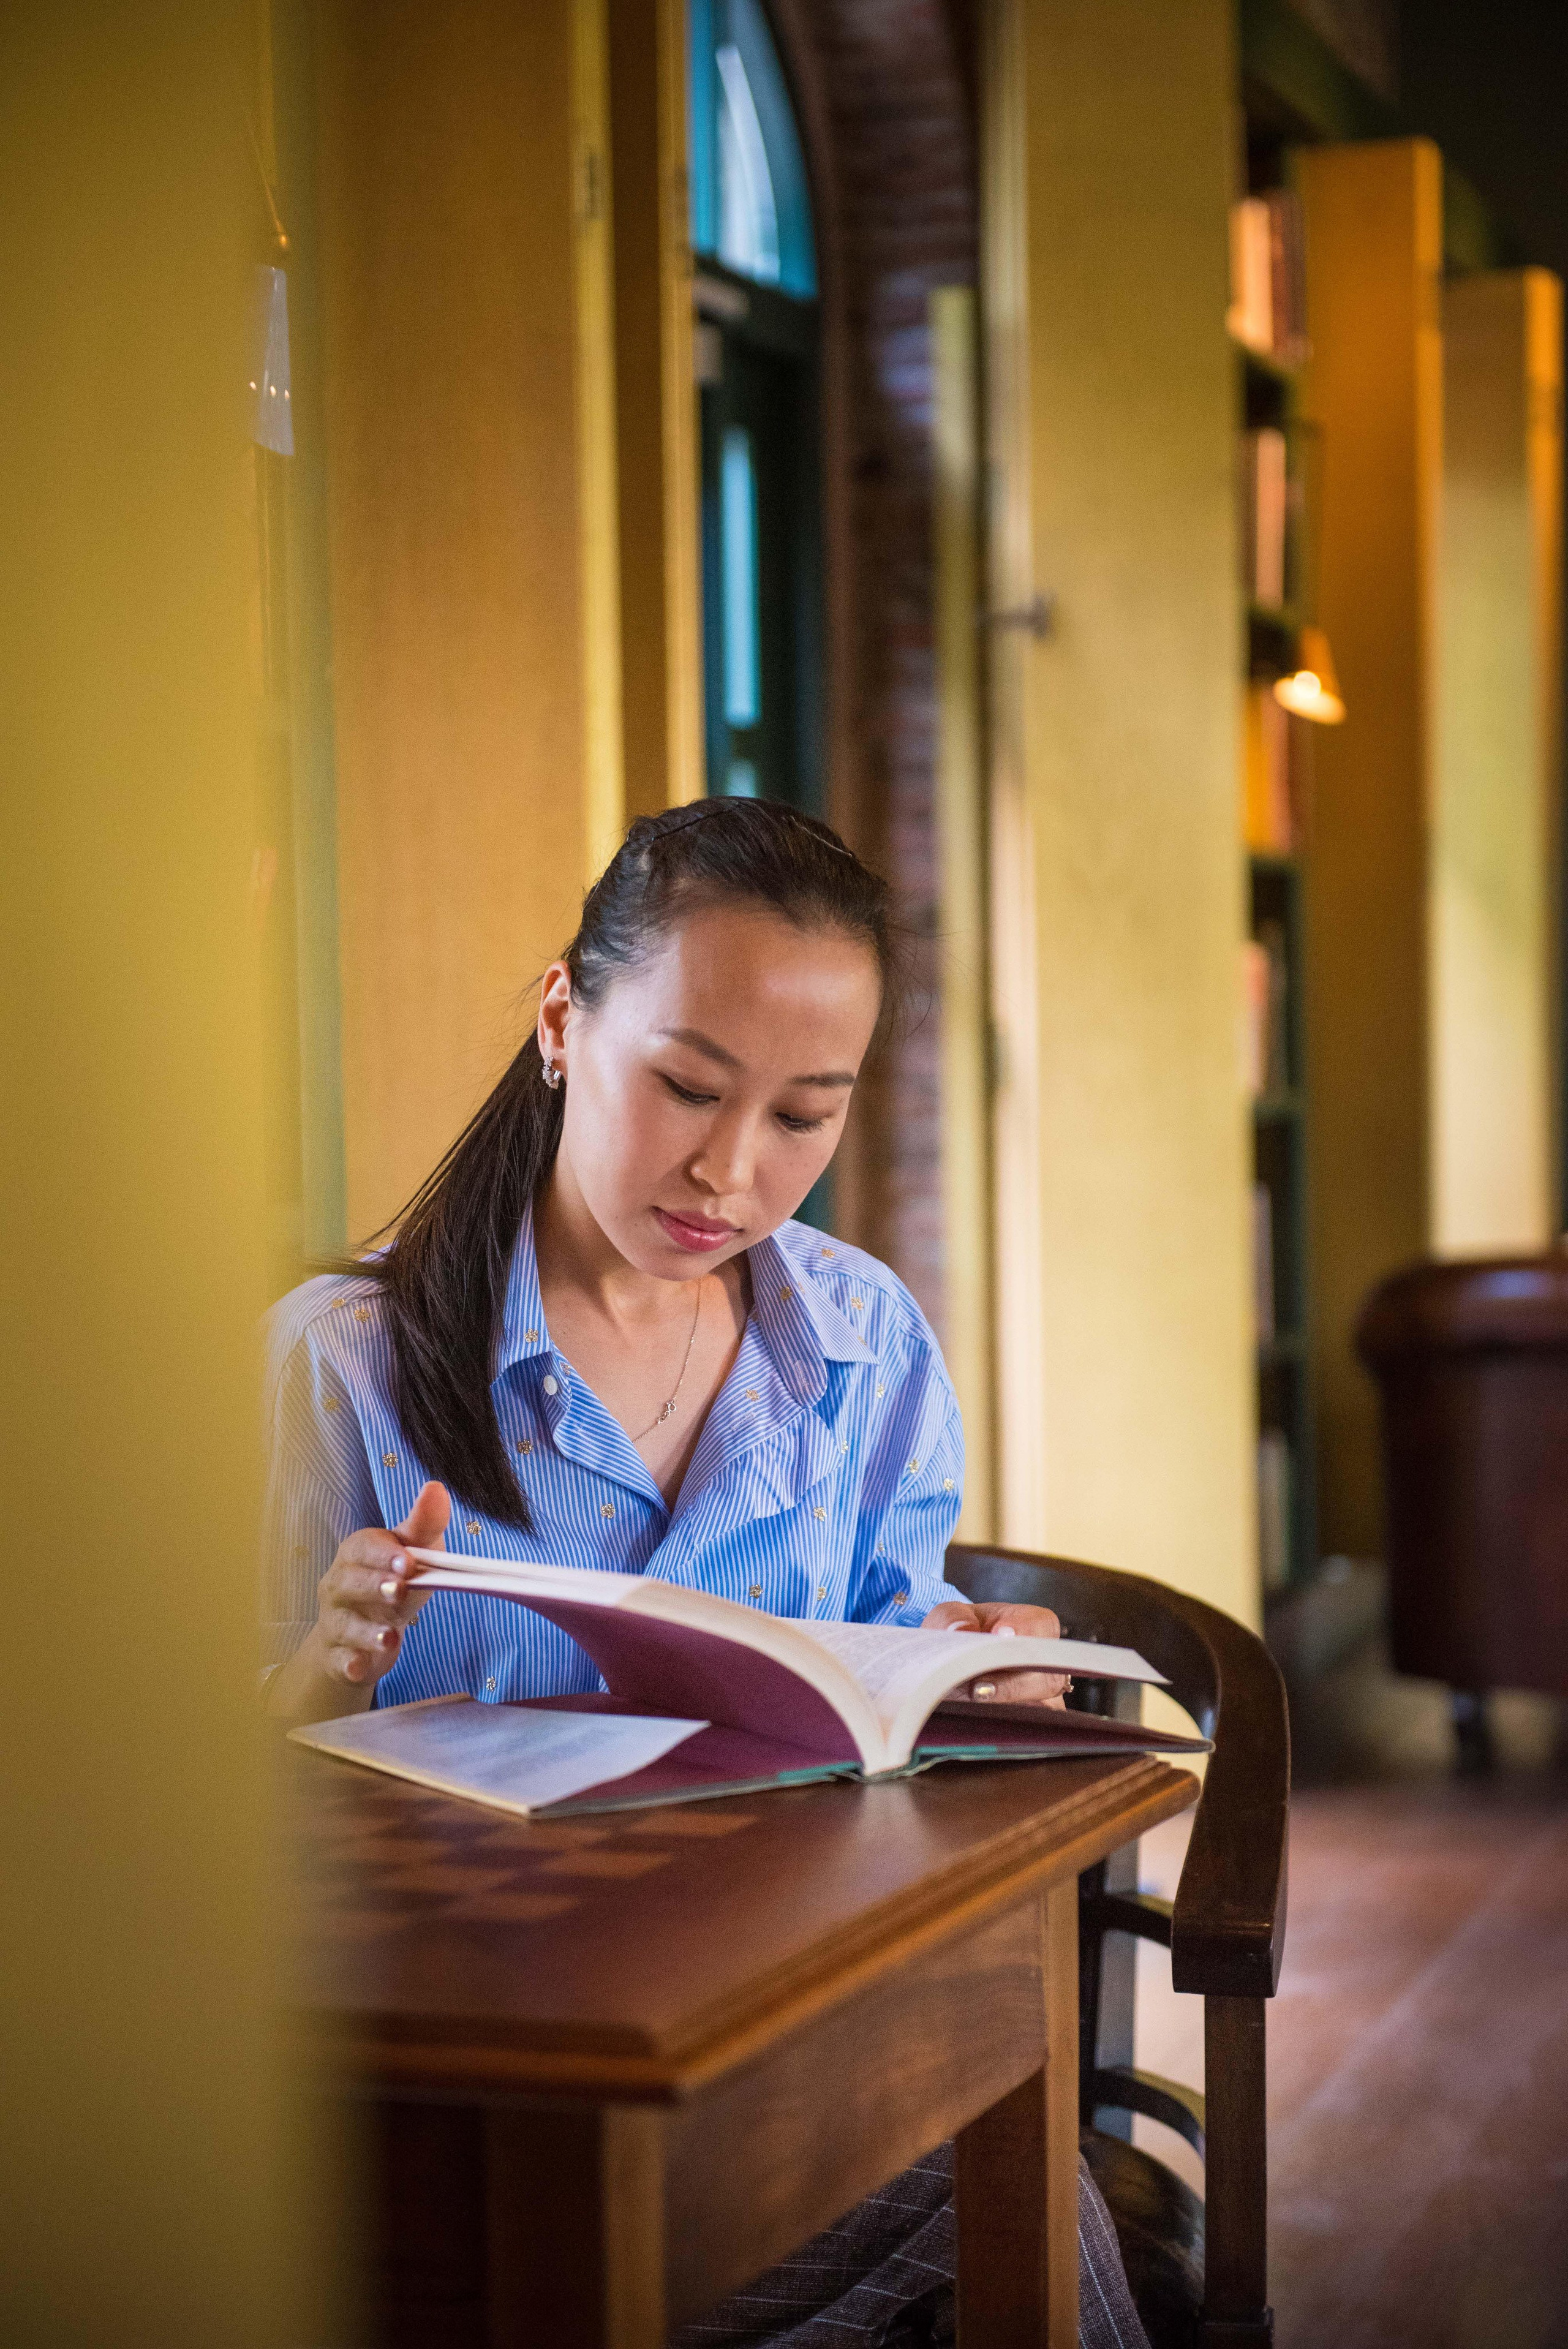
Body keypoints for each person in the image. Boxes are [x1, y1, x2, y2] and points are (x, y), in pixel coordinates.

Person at [262, 799, 1150, 2349]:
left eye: (803, 1116)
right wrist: (322, 1662)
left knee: (1002, 2179)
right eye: (683, 1084)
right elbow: (148, 1840)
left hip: (782, 2041)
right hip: (465, 2102)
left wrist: (964, 1662)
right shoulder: (342, 1365)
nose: (730, 1171)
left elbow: (883, 1683)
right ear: (561, 1021)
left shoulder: (863, 1345)